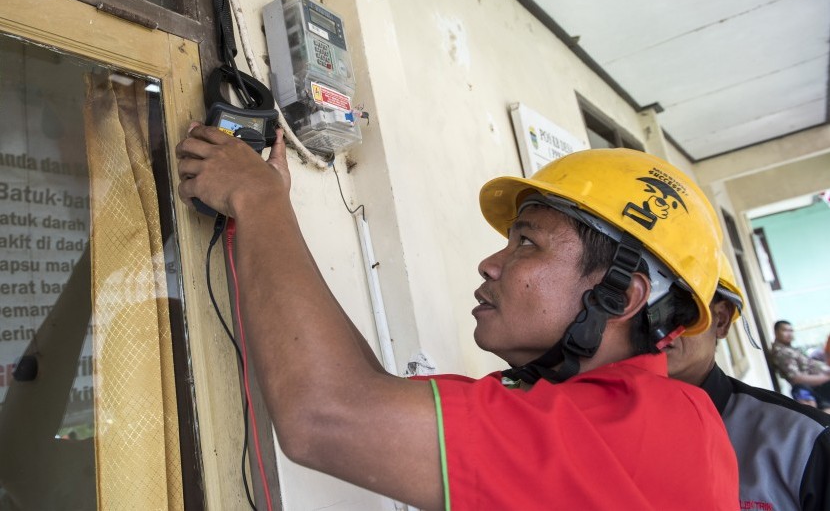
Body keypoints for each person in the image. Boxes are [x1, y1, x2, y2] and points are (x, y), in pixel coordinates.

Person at [176, 125, 738, 509]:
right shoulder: (643, 416)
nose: (490, 264)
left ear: (623, 296)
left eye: (526, 243)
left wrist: (259, 200)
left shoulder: (630, 429)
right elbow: (364, 397)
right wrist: (268, 208)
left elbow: (324, 414)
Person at [666, 254, 830, 510]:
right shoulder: (597, 436)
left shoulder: (804, 441)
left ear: (720, 320)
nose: (653, 324)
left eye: (676, 307)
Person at [770, 320, 830, 409]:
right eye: (785, 330)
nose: (789, 334)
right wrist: (826, 377)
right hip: (816, 387)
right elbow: (796, 379)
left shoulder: (788, 348)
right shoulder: (781, 352)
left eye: (791, 331)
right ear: (776, 332)